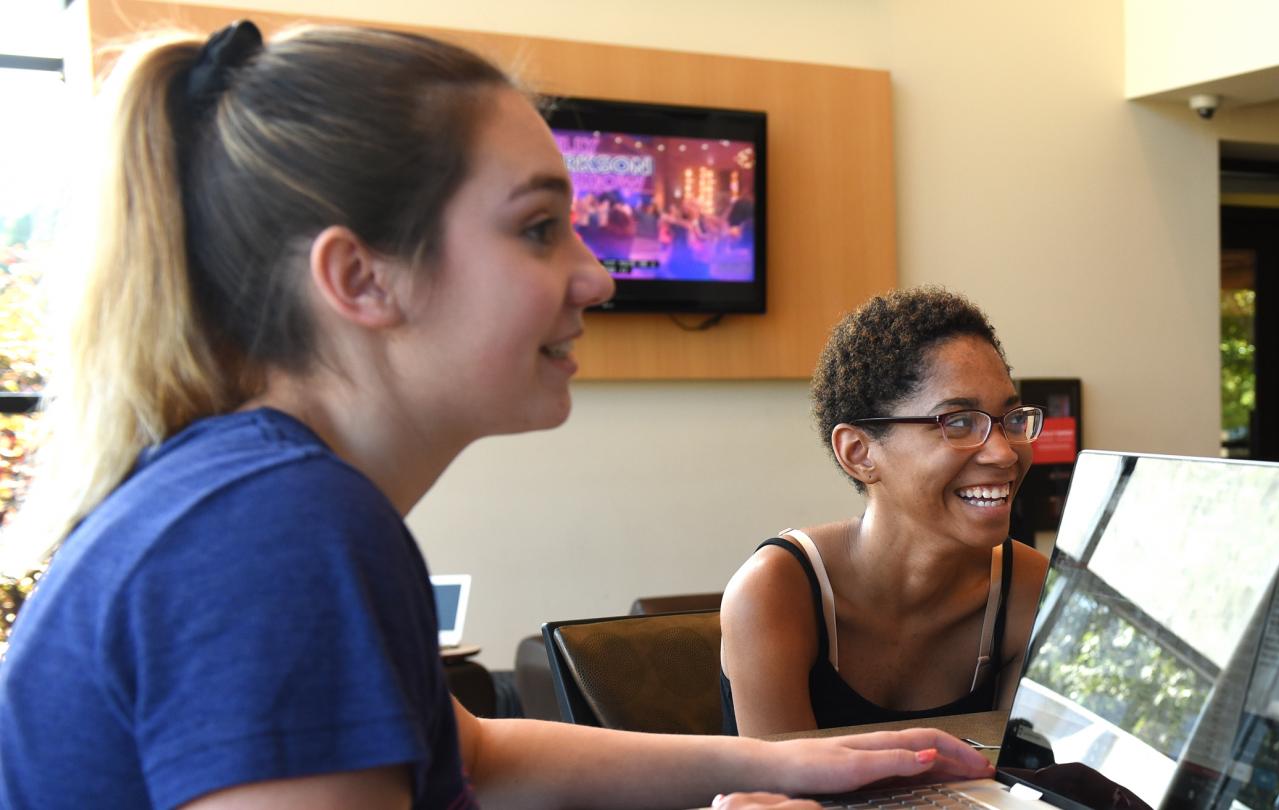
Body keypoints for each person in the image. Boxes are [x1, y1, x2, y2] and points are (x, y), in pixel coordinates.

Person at [0, 22, 986, 809]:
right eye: (538, 228)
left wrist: (796, 766)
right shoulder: (280, 533)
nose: (596, 278)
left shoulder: (252, 494)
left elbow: (476, 752)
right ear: (360, 278)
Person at [719, 287, 1050, 737]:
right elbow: (782, 796)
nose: (1004, 454)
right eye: (958, 422)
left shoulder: (1026, 589)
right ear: (858, 453)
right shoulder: (775, 591)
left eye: (1010, 419)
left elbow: (1027, 782)